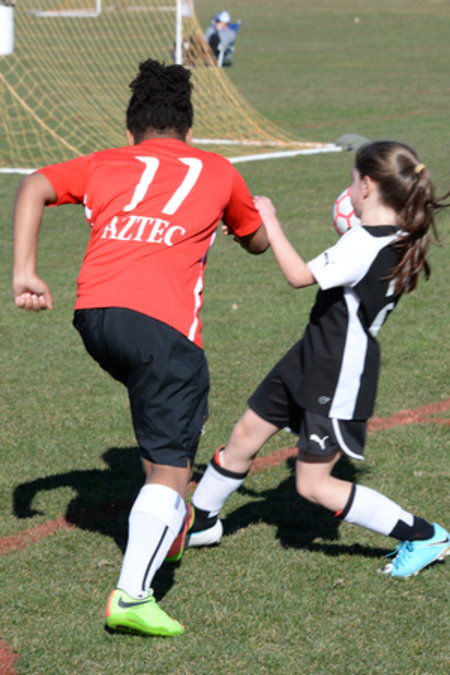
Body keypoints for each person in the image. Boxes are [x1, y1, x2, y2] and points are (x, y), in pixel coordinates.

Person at [12, 58, 269, 637]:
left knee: (164, 426)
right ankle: (132, 595)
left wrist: (25, 271)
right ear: (190, 131)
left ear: (130, 132)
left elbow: (33, 185)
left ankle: (168, 530)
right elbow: (255, 241)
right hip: (162, 328)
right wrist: (256, 220)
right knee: (173, 467)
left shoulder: (106, 162)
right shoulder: (218, 169)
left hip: (96, 317)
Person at [182, 140, 450, 579]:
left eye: (352, 181)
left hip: (338, 370)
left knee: (313, 485)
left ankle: (424, 535)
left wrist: (269, 219)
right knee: (245, 434)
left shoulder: (365, 242)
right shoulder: (395, 234)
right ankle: (202, 521)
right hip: (310, 355)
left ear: (367, 186)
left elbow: (297, 276)